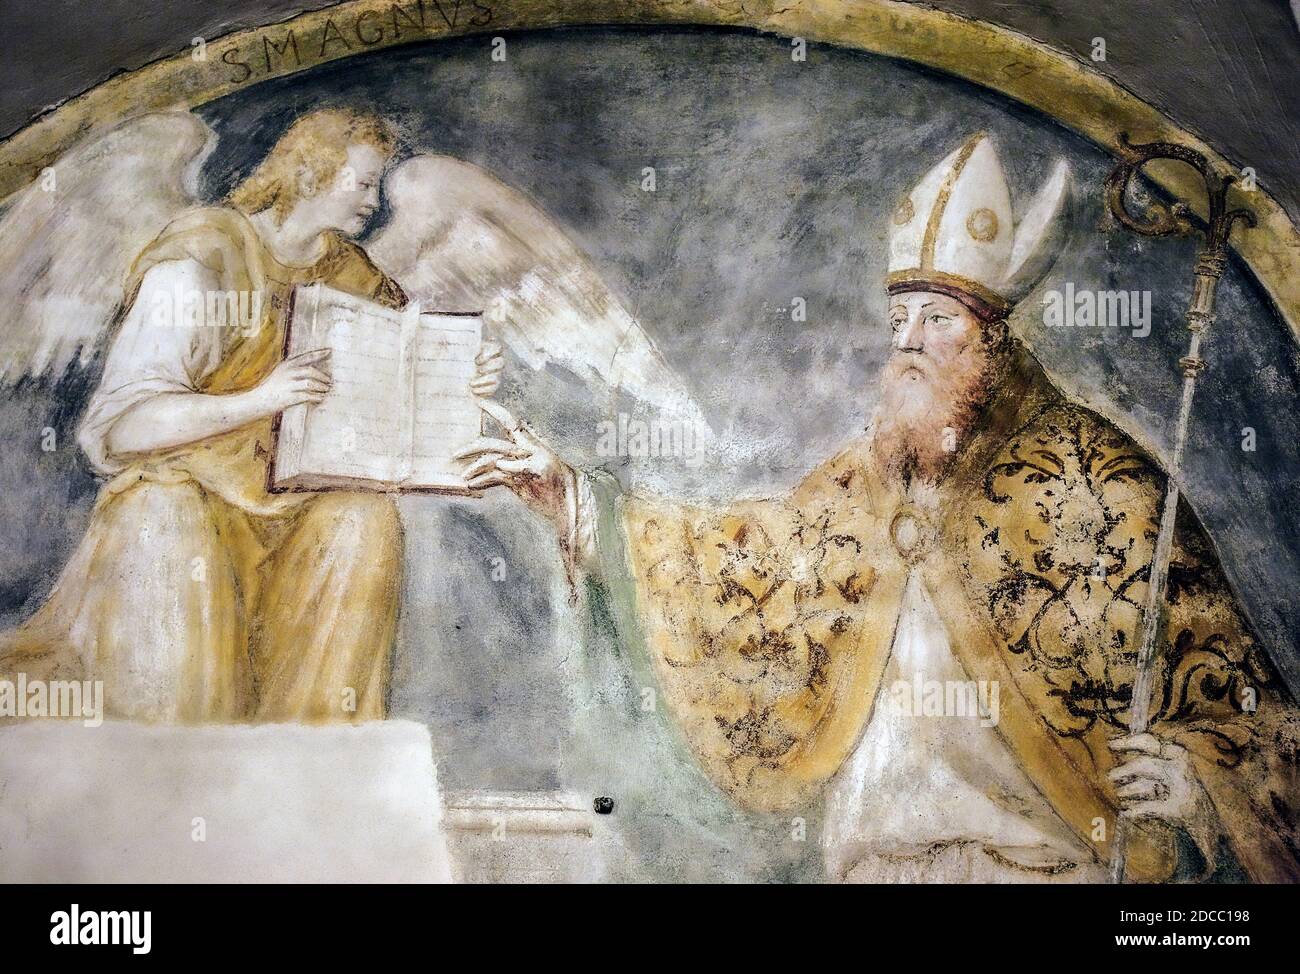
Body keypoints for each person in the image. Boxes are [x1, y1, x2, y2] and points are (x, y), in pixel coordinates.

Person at [458, 134, 1300, 882]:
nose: (906, 344)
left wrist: (1199, 784)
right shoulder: (859, 485)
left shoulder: (1100, 478)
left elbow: (1232, 700)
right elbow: (730, 572)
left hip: (1050, 866)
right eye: (899, 318)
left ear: (993, 343)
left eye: (936, 319)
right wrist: (570, 496)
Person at [1, 109, 503, 724]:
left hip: (294, 506)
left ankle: (312, 768)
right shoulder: (207, 253)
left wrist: (462, 384)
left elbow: (399, 385)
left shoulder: (354, 276)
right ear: (311, 172)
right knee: (170, 515)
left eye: (376, 185)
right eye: (362, 182)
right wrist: (259, 400)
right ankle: (179, 771)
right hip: (188, 493)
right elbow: (121, 428)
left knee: (363, 520)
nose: (374, 201)